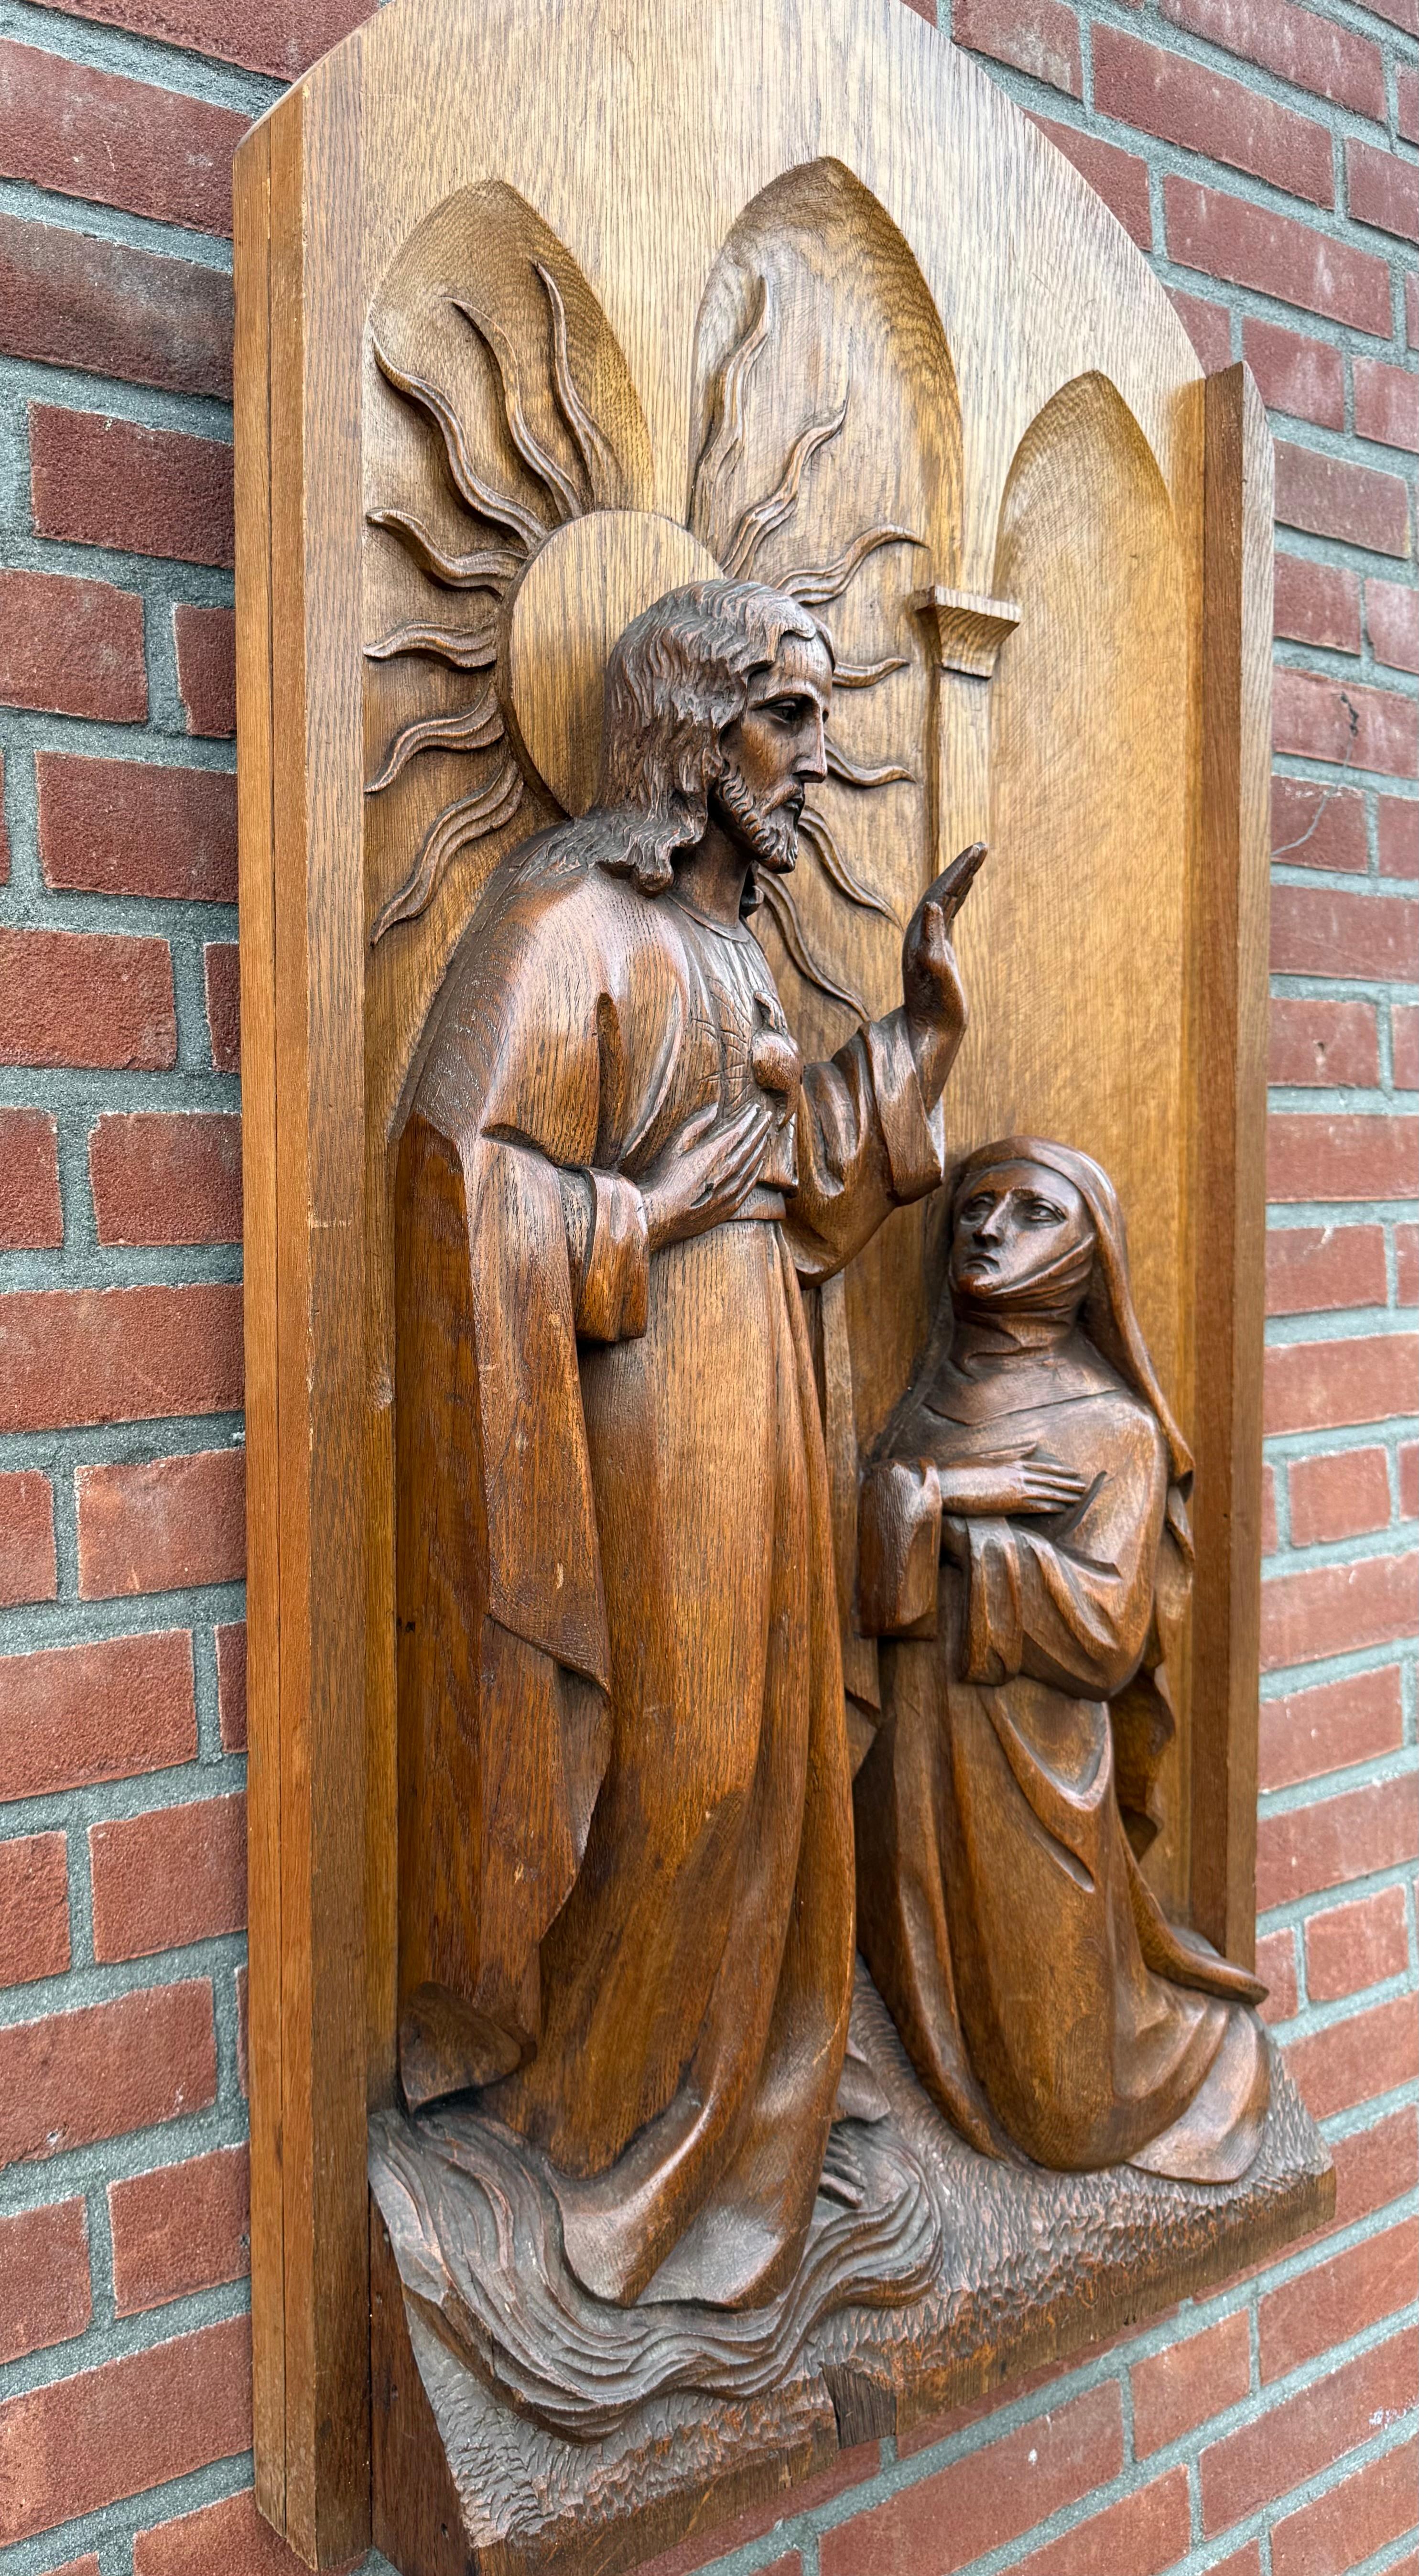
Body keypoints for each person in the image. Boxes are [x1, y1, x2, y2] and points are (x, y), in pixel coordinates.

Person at [394, 576, 981, 2309]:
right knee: (692, 1767)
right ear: (689, 723)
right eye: (784, 715)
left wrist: (923, 1028)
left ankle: (745, 2142)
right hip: (645, 1417)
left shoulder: (735, 947)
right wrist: (630, 1219)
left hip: (765, 1399)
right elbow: (453, 1184)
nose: (816, 756)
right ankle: (591, 2152)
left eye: (821, 717)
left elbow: (800, 1187)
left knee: (780, 1770)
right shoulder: (569, 919)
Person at [853, 1138, 1270, 2183]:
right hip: (910, 1765)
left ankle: (1202, 2053)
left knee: (1066, 2102)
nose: (989, 1230)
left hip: (1031, 1778)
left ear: (1092, 1257)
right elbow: (880, 1577)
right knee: (918, 2007)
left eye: (1034, 1212)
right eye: (974, 1209)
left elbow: (1105, 1632)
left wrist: (952, 1525)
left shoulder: (1112, 1430)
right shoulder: (927, 1395)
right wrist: (940, 1495)